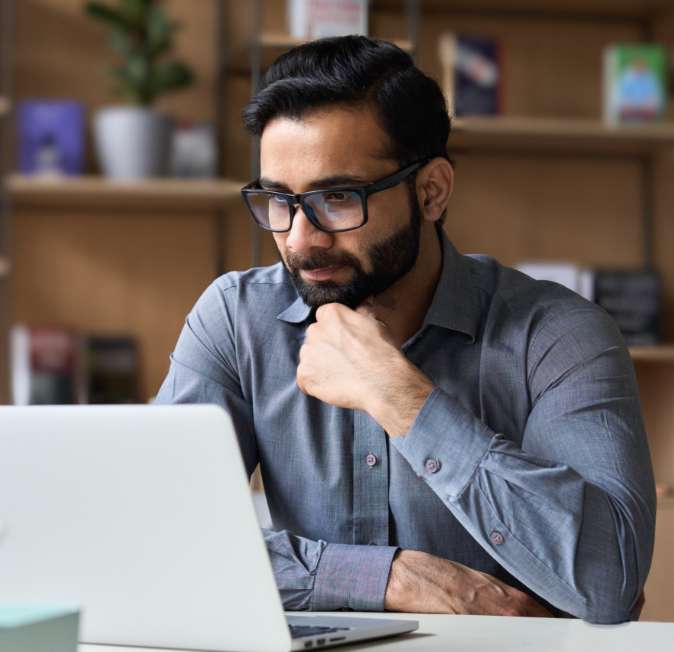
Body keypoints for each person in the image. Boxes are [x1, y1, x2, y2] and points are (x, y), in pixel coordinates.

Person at [155, 36, 655, 624]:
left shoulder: (559, 336)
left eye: (337, 197)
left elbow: (607, 581)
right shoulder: (236, 320)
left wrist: (401, 397)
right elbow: (153, 539)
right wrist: (389, 577)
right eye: (277, 201)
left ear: (432, 191)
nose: (298, 239)